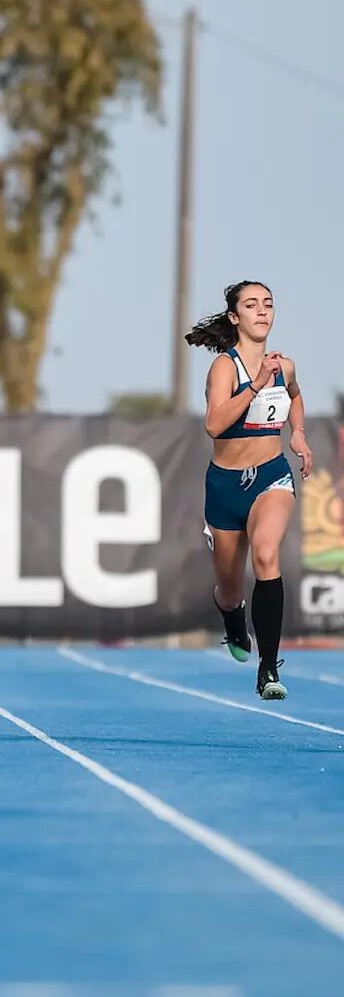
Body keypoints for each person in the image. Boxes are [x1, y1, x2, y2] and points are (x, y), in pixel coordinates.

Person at [186, 280, 312, 699]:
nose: (262, 311)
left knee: (265, 553)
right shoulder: (225, 367)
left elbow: (294, 395)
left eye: (268, 304)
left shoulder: (285, 365)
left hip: (270, 475)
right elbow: (214, 425)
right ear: (235, 317)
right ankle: (233, 618)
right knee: (228, 587)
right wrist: (256, 383)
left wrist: (298, 434)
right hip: (225, 486)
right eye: (252, 305)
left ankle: (268, 669)